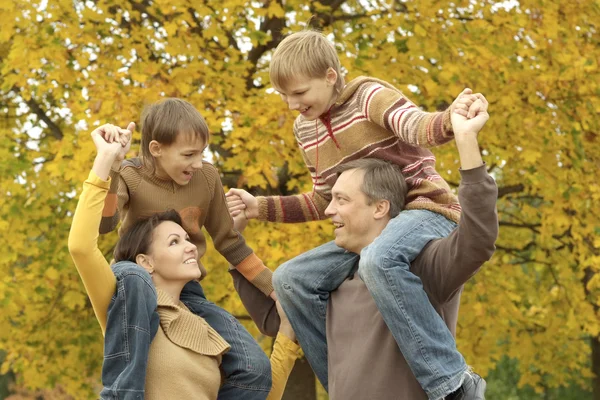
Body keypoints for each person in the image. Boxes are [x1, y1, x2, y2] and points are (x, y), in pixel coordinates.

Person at [226, 29, 484, 399]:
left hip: (422, 209)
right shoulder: (306, 128)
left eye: (299, 93)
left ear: (330, 76)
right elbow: (323, 200)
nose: (291, 104)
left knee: (378, 260)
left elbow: (417, 126)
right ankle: (346, 382)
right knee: (290, 279)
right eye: (284, 96)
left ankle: (452, 382)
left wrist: (451, 120)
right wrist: (259, 207)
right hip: (372, 227)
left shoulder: (368, 96)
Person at [68, 127, 299, 400]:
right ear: (146, 261)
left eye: (188, 238)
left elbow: (261, 393)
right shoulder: (127, 303)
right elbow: (81, 247)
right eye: (174, 241)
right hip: (134, 292)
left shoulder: (208, 327)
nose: (191, 245)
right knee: (131, 277)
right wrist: (106, 161)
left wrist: (287, 333)